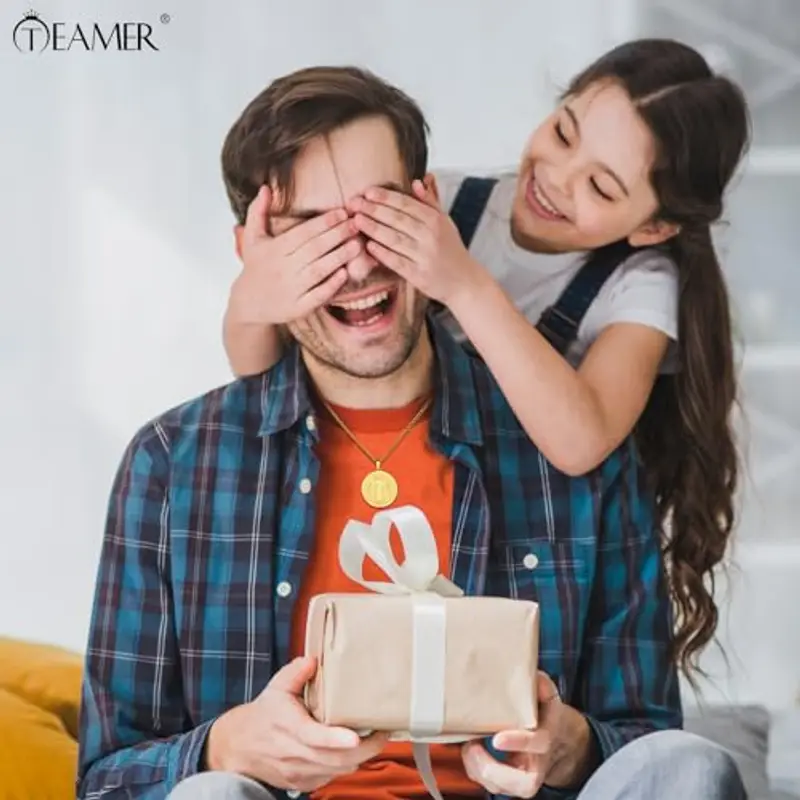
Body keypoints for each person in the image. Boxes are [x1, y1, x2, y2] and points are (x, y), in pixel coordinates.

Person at [76, 65, 746, 800]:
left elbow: (643, 741)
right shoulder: (172, 465)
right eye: (313, 233)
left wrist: (571, 746)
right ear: (256, 256)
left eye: (379, 216)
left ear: (431, 214)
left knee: (690, 766)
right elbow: (107, 779)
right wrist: (224, 746)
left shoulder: (573, 445)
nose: (357, 258)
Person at [222, 39, 751, 678]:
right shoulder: (457, 200)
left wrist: (463, 283)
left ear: (654, 226)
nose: (557, 177)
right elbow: (259, 375)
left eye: (601, 187)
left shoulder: (639, 284)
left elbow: (582, 439)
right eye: (563, 132)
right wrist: (253, 301)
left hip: (513, 542)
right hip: (378, 496)